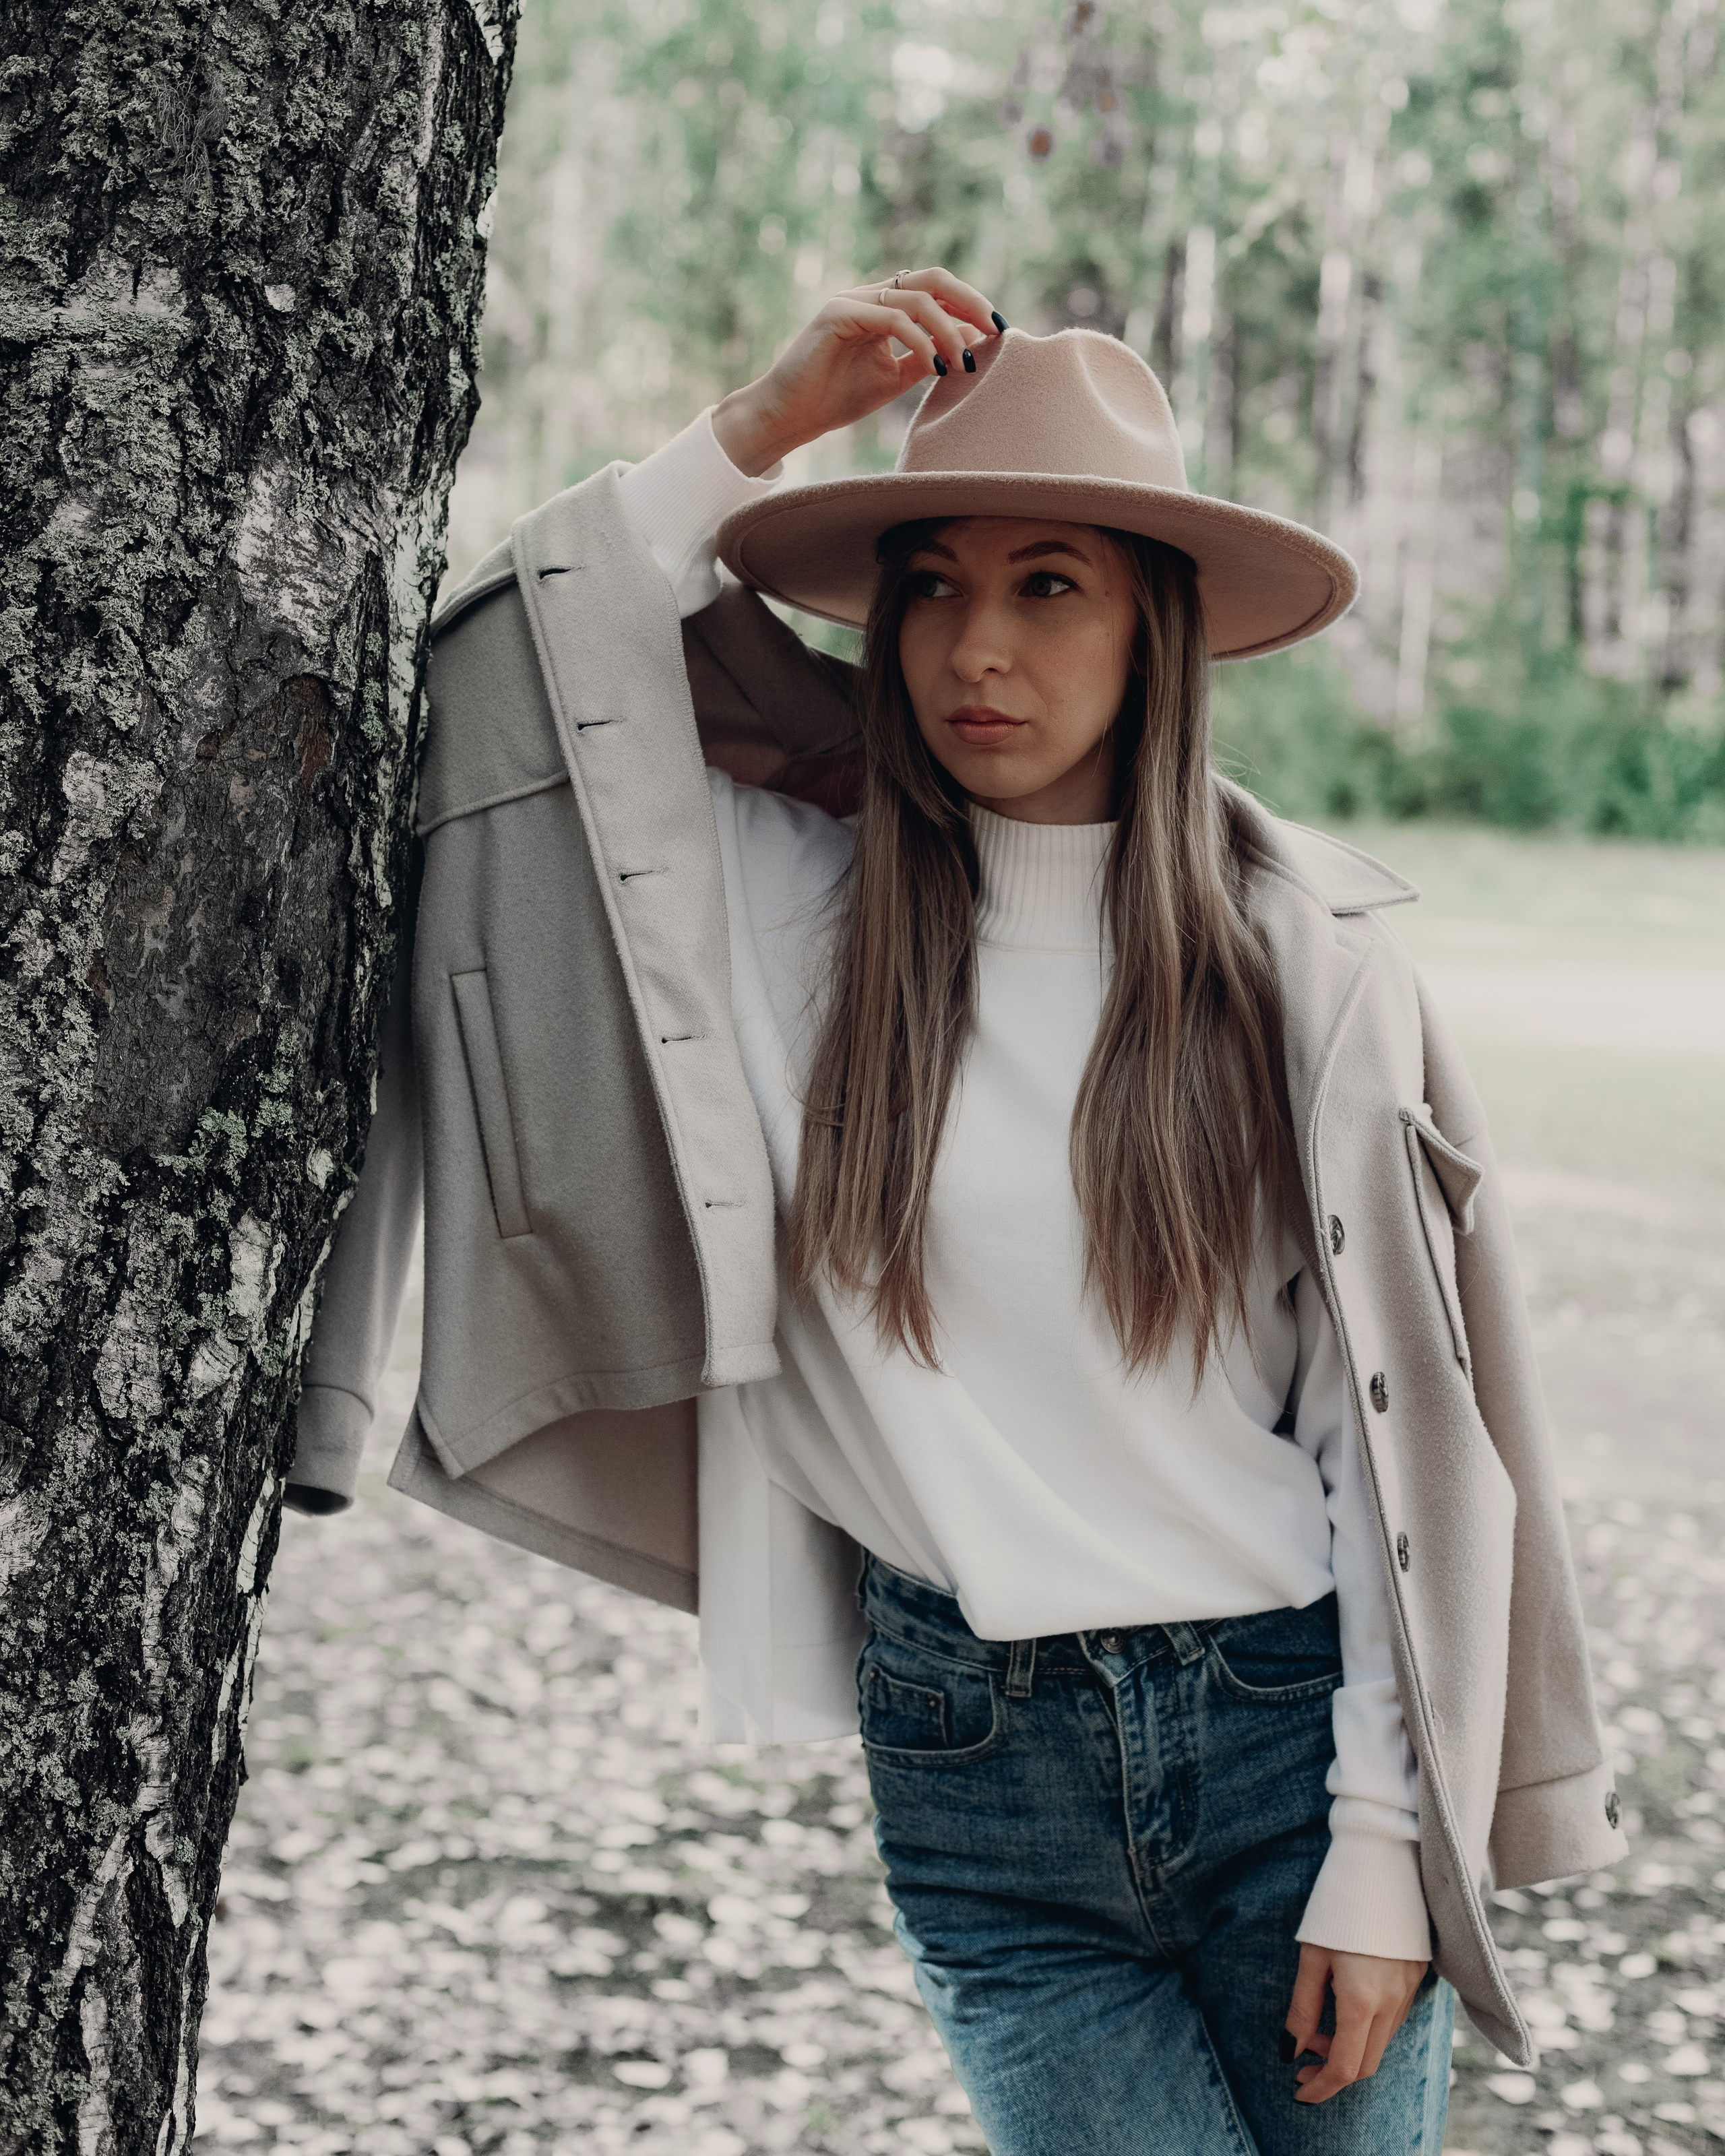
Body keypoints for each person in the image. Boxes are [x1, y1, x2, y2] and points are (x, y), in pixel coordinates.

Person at [288, 267, 1625, 2155]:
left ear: (1157, 629)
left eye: (1048, 583)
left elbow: (1383, 1440)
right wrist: (759, 423)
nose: (974, 646)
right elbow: (516, 677)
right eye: (934, 584)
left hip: (1288, 1738)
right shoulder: (782, 916)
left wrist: (1390, 1854)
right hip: (976, 1775)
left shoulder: (1297, 970)